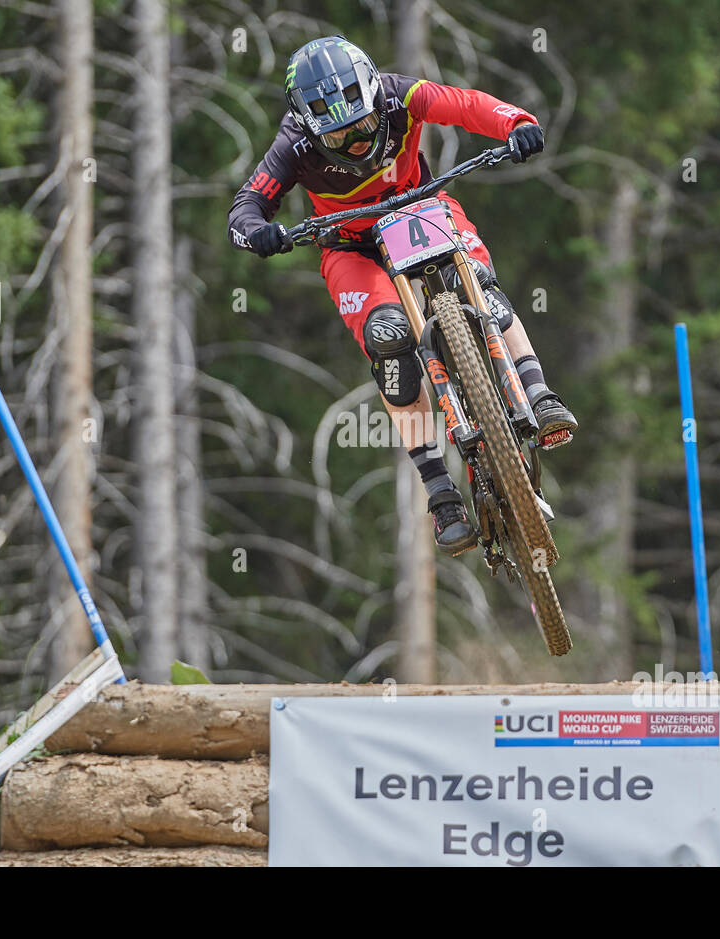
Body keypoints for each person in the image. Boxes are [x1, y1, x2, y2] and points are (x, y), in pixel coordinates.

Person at [227, 35, 577, 556]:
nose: (358, 143)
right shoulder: (293, 145)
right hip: (352, 246)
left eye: (365, 126)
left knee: (483, 288)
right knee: (388, 338)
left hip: (423, 209)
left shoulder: (399, 95)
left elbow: (466, 105)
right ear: (309, 127)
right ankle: (441, 493)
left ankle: (538, 393)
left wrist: (517, 123)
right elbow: (245, 206)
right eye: (340, 137)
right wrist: (258, 230)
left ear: (374, 101)